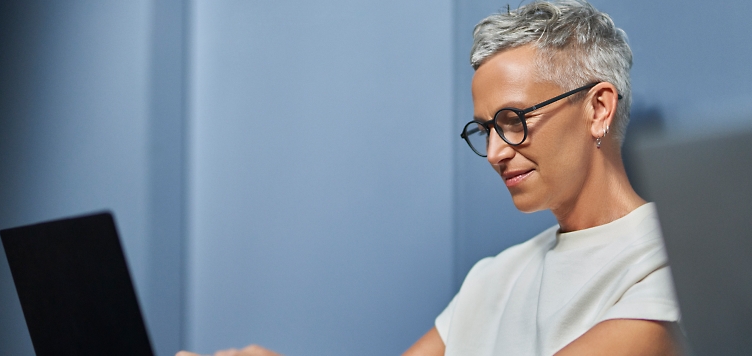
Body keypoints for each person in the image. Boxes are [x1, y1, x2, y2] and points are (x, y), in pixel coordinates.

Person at [179, 1, 681, 355]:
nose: (493, 152)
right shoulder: (493, 278)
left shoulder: (672, 264)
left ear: (597, 108)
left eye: (513, 120)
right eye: (485, 129)